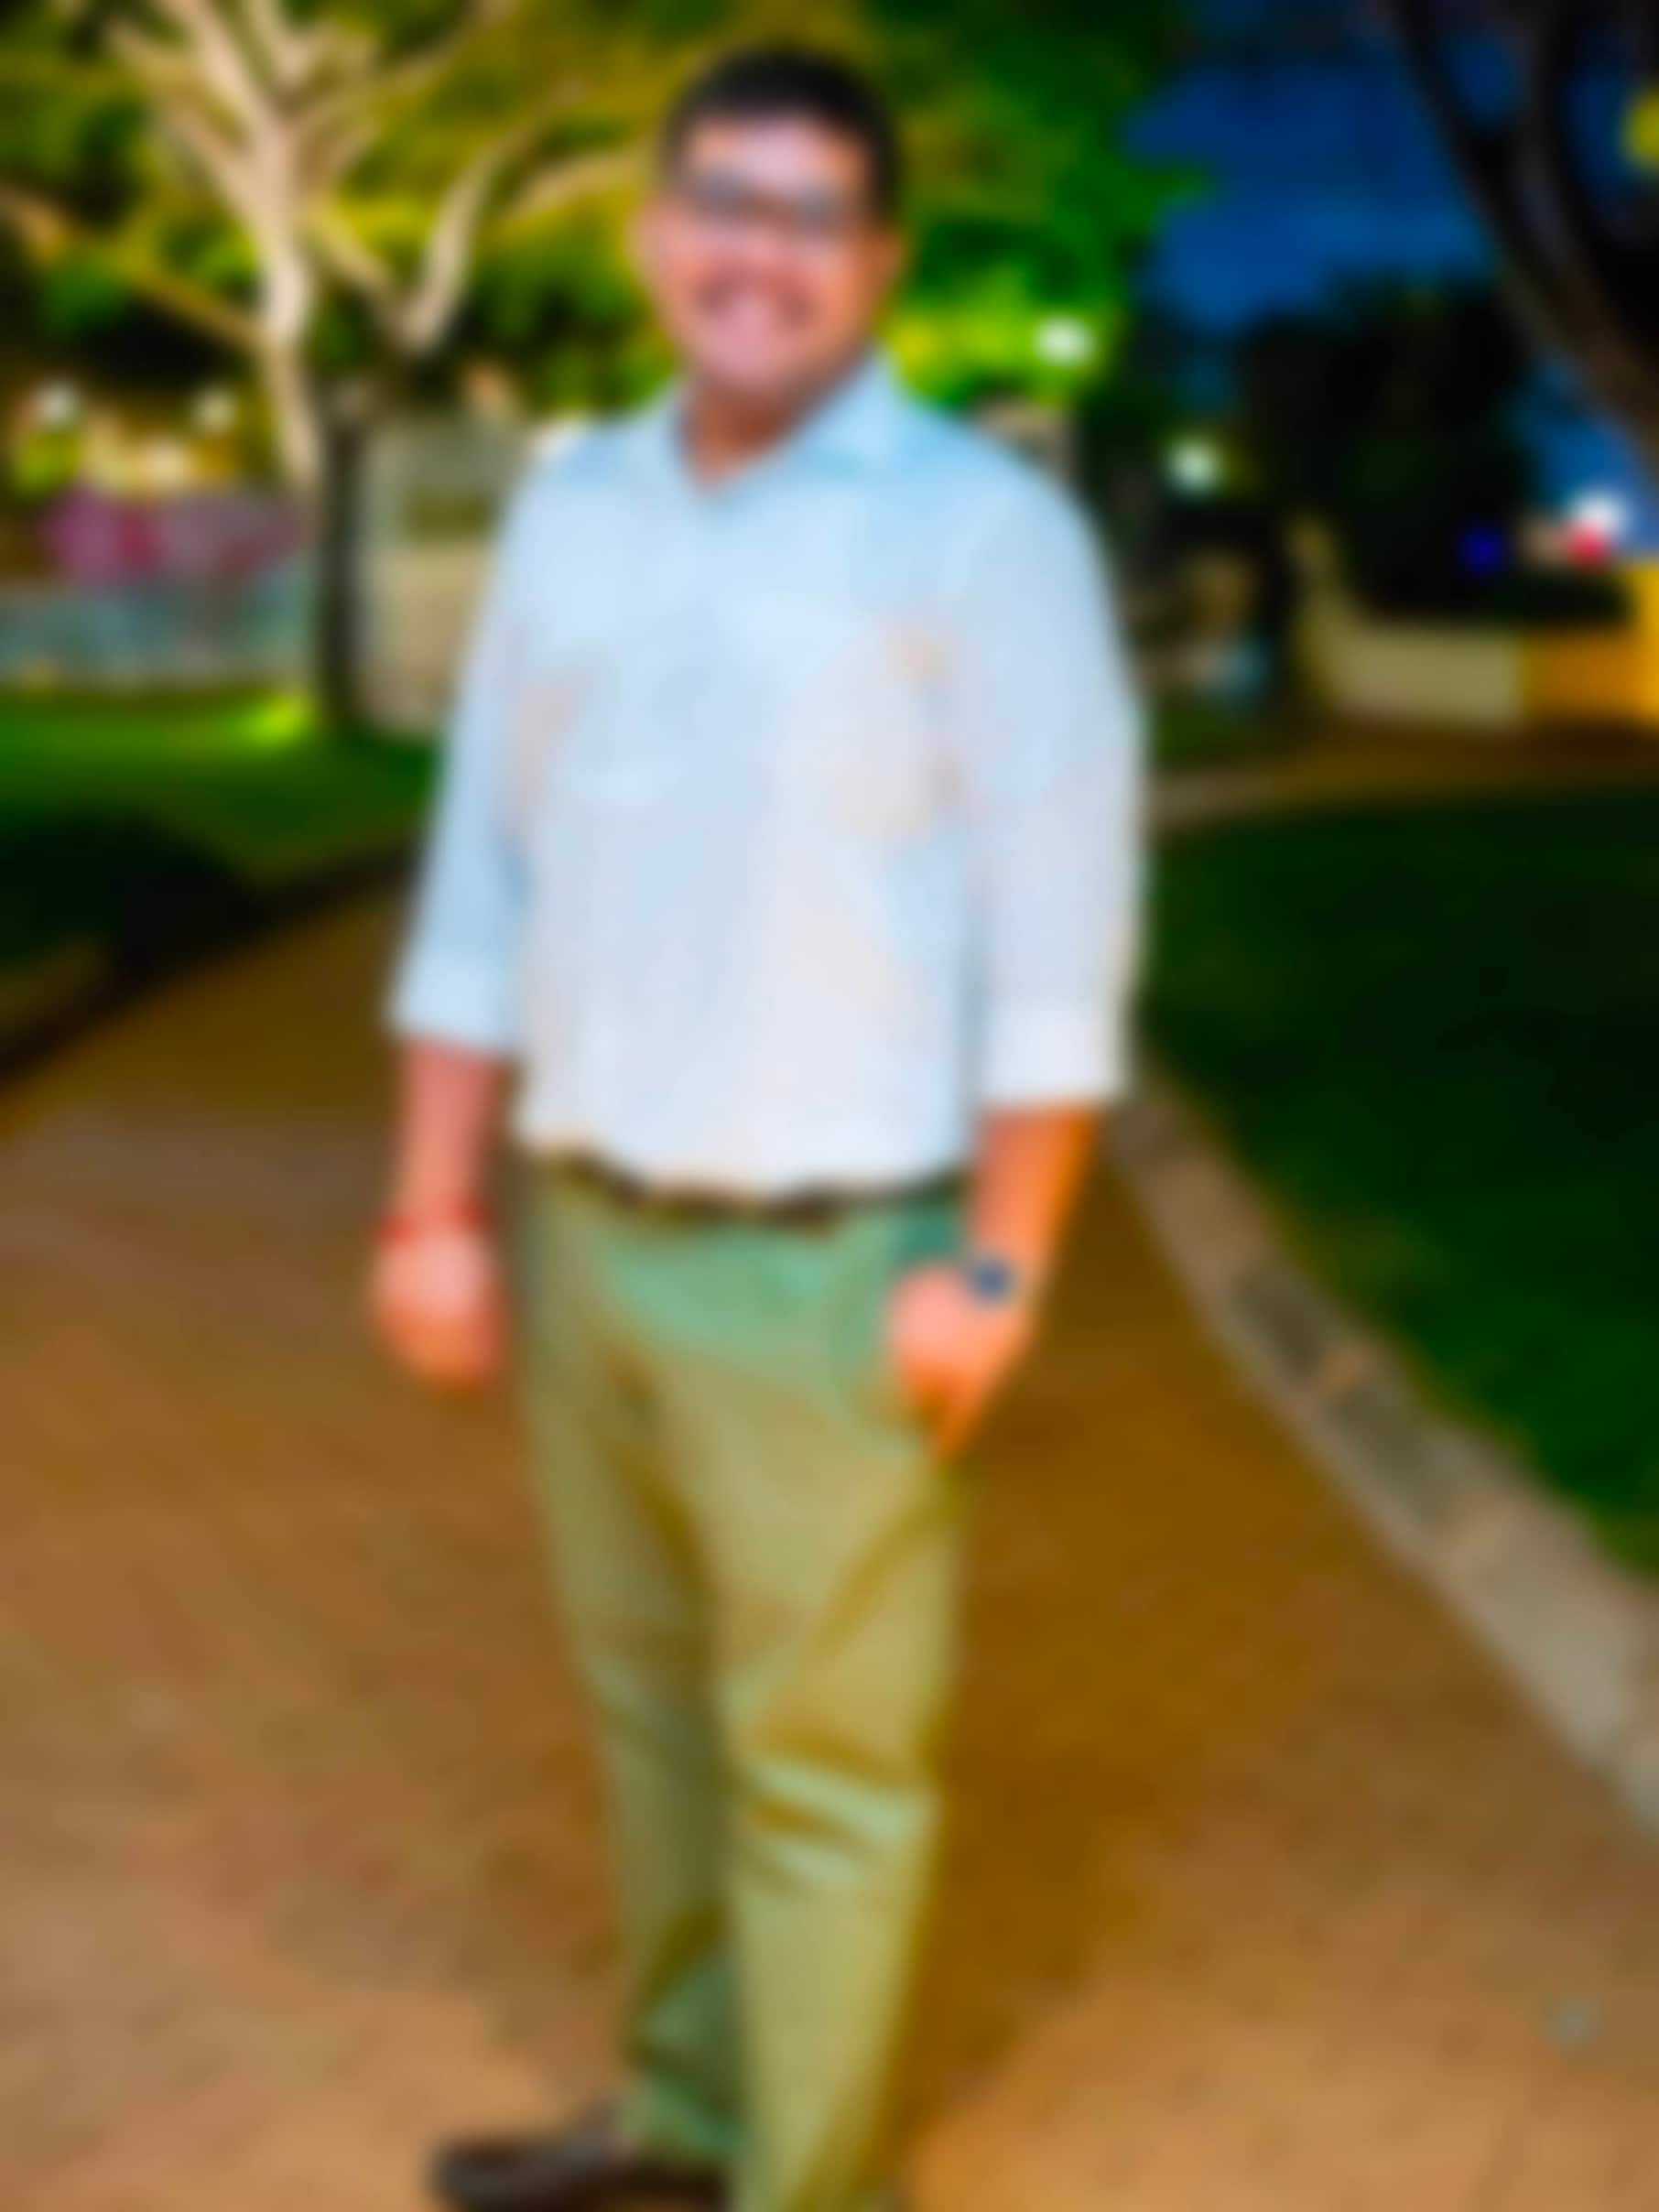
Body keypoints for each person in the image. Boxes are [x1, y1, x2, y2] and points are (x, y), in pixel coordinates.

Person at [374, 42, 1142, 2212]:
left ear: (879, 265)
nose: (758, 252)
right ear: (651, 235)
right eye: (723, 199)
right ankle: (687, 2116)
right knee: (650, 1726)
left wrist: (1000, 1261)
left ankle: (809, 2182)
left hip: (839, 1264)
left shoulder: (983, 539)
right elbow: (480, 878)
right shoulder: (570, 511)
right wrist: (435, 1205)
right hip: (590, 1236)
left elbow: (1060, 942)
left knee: (824, 1771)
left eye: (813, 216)